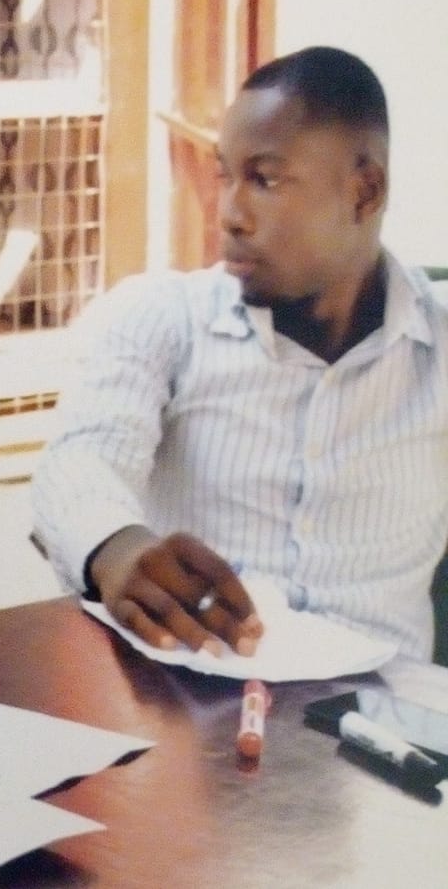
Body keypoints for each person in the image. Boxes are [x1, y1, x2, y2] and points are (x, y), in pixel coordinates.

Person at [31, 46, 448, 661]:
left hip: (390, 708)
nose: (229, 214)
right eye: (225, 176)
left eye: (265, 179)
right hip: (198, 694)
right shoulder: (164, 317)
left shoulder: (437, 344)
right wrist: (116, 546)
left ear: (365, 191)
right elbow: (80, 460)